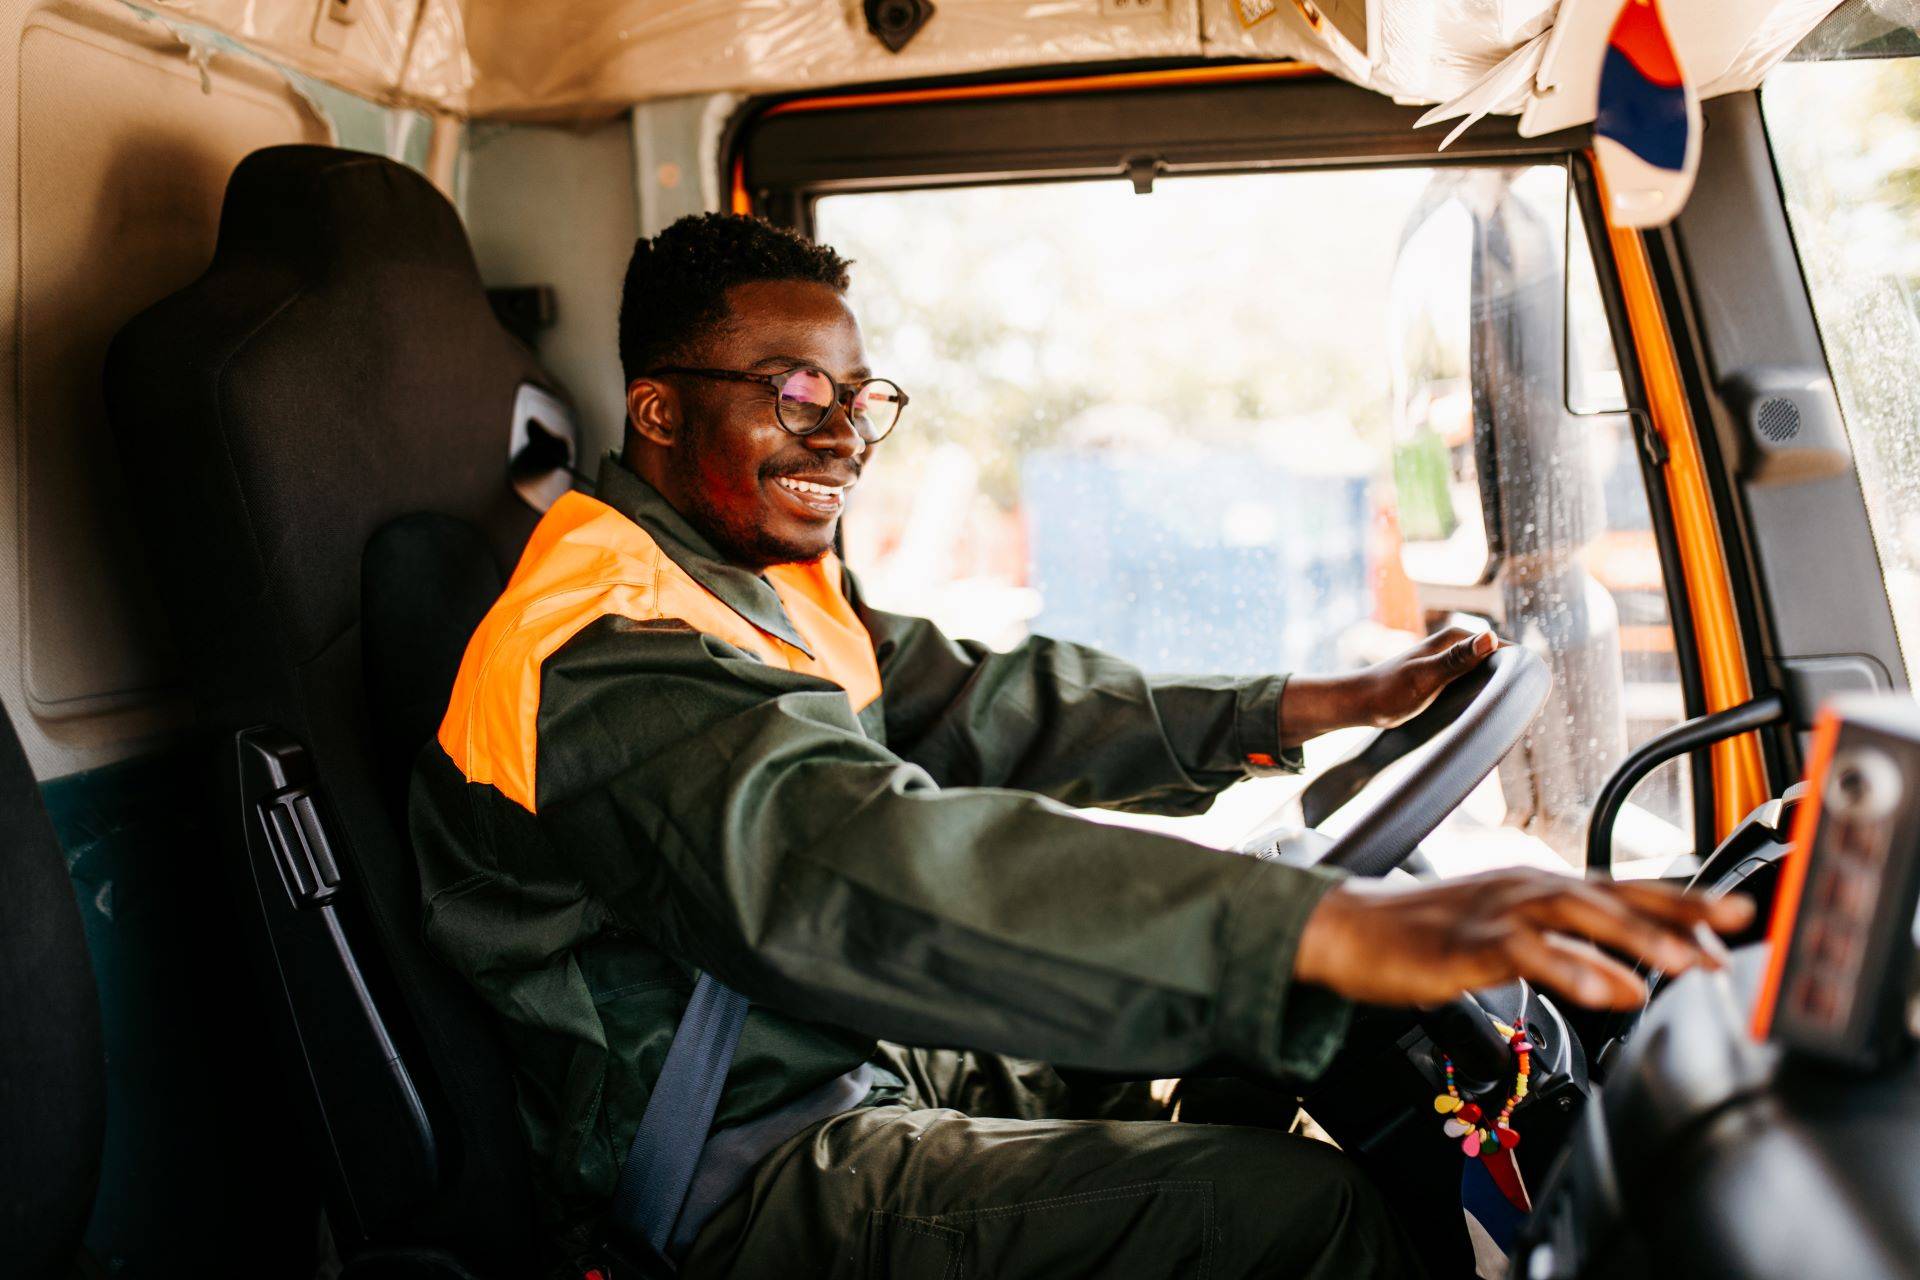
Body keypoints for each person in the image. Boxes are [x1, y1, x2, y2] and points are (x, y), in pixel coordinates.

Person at [410, 213, 1751, 1278]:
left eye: (859, 396)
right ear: (657, 410)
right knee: (1308, 1215)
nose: (844, 435)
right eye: (797, 390)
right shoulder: (605, 647)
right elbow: (858, 860)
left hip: (839, 1047)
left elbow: (992, 701)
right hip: (745, 1166)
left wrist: (1306, 704)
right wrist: (1316, 929)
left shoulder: (747, 581)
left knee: (1250, 1055)